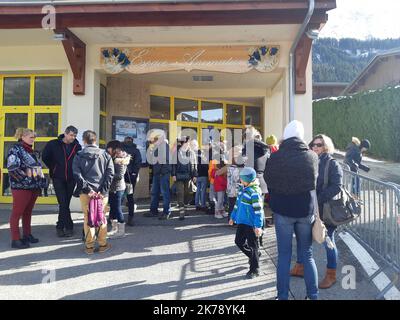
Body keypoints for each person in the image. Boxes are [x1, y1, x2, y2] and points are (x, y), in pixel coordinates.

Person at [265, 120, 319, 300]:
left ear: (285, 135)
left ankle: (282, 297)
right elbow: (313, 182)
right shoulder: (311, 156)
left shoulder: (276, 156)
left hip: (283, 211)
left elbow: (268, 180)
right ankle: (313, 295)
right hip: (305, 210)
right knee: (307, 255)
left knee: (284, 256)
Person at [290, 134, 343, 289]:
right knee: (303, 238)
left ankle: (331, 275)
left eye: (319, 145)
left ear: (326, 146)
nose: (315, 147)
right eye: (313, 144)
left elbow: (337, 186)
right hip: (309, 208)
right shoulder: (310, 160)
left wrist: (318, 199)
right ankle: (300, 267)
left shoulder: (332, 164)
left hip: (325, 210)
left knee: (328, 241)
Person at [72, 130, 114, 255]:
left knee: (87, 218)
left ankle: (89, 246)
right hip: (102, 193)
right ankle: (102, 244)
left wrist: (88, 190)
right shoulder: (105, 155)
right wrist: (102, 190)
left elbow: (77, 174)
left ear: (84, 141)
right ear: (95, 140)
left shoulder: (79, 155)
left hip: (86, 193)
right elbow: (110, 174)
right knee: (102, 217)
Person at [7, 128, 47, 249]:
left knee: (28, 212)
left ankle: (27, 235)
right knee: (17, 213)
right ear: (22, 136)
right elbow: (13, 169)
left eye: (34, 137)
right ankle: (15, 239)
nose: (33, 139)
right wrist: (26, 180)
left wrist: (41, 180)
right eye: (31, 137)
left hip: (33, 187)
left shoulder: (31, 151)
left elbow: (36, 167)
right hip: (21, 188)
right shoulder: (15, 150)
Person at [42, 125, 82, 237]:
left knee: (65, 203)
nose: (73, 137)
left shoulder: (77, 147)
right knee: (63, 203)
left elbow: (79, 161)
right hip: (58, 177)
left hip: (71, 178)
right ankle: (66, 226)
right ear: (65, 133)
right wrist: (54, 167)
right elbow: (45, 157)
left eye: (74, 135)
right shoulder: (53, 144)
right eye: (71, 135)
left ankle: (62, 225)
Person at [229, 167, 264, 279]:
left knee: (253, 246)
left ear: (248, 180)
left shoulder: (254, 192)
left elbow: (259, 211)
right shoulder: (242, 189)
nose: (240, 181)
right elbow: (237, 205)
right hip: (242, 222)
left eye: (242, 179)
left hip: (251, 224)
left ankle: (255, 269)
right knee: (238, 241)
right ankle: (254, 256)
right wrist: (232, 217)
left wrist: (258, 226)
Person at [243, 126, 270, 245]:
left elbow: (244, 164)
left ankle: (253, 238)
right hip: (262, 181)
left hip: (251, 181)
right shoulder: (265, 149)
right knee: (260, 209)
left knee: (251, 210)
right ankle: (260, 235)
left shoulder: (248, 148)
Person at [107, 140, 131, 238]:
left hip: (118, 187)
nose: (108, 150)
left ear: (115, 149)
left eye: (109, 148)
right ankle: (114, 228)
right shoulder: (114, 158)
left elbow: (120, 176)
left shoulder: (120, 159)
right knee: (112, 208)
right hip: (113, 187)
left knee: (117, 209)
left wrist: (108, 174)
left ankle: (121, 231)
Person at [146, 129, 171, 220]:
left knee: (165, 193)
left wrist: (162, 172)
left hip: (163, 174)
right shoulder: (157, 147)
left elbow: (167, 161)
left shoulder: (165, 146)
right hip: (157, 173)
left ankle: (166, 212)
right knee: (154, 192)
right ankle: (153, 211)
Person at [172, 136, 197, 220]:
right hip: (179, 175)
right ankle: (181, 211)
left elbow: (194, 164)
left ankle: (185, 207)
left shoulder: (191, 153)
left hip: (188, 176)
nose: (188, 144)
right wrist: (173, 175)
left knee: (188, 193)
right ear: (183, 143)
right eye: (187, 142)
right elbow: (173, 165)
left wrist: (194, 175)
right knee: (180, 193)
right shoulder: (176, 152)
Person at [122, 136, 142, 226]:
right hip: (131, 177)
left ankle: (114, 217)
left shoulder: (120, 149)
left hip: (121, 176)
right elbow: (138, 163)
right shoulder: (136, 150)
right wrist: (134, 173)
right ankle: (130, 218)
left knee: (118, 197)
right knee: (130, 197)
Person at [192, 140, 208, 212]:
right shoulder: (202, 153)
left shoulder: (192, 154)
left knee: (198, 190)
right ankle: (203, 205)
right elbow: (205, 164)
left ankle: (197, 205)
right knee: (203, 190)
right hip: (203, 174)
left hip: (196, 174)